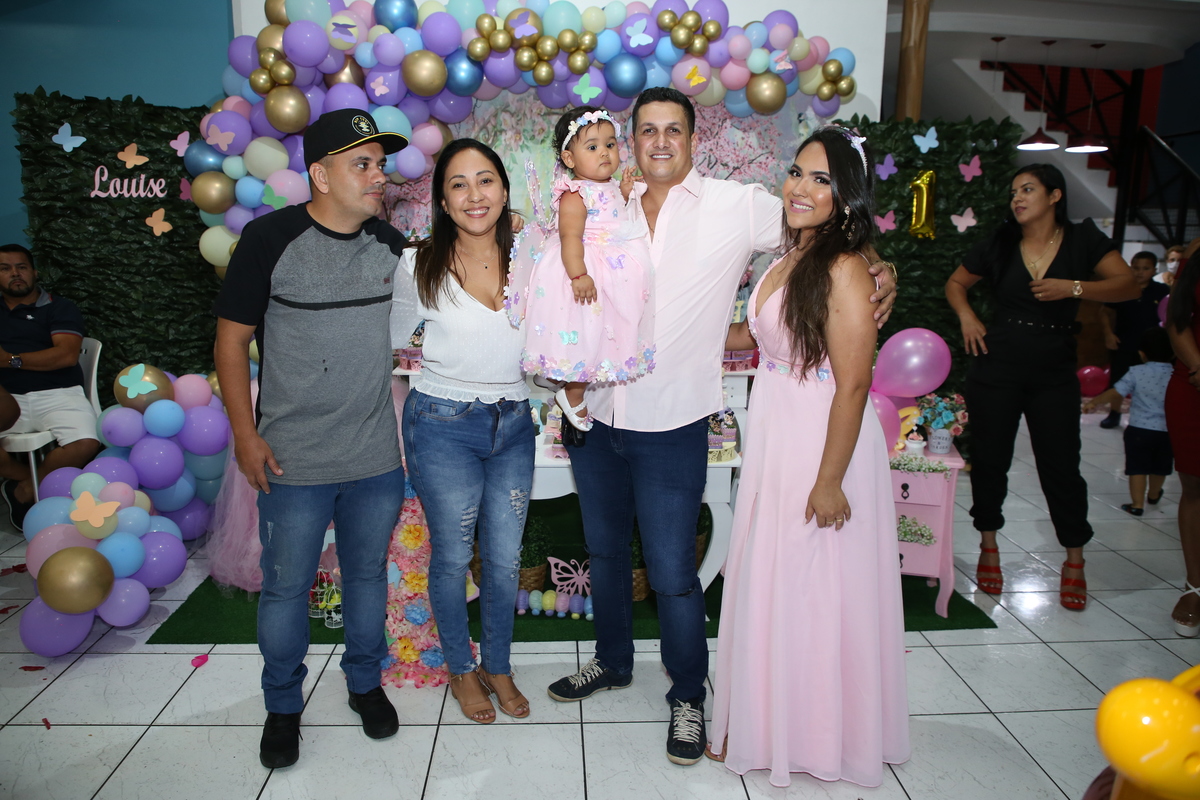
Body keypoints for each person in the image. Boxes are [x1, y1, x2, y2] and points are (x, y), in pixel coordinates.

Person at [544, 87, 897, 766]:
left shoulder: (740, 207)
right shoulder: (603, 202)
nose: (660, 142)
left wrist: (881, 269)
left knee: (674, 570)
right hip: (596, 411)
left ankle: (687, 696)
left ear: (692, 138)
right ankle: (612, 661)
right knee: (605, 553)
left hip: (674, 419)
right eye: (647, 130)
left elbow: (830, 231)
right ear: (631, 140)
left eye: (673, 130)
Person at [706, 127, 909, 787]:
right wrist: (678, 333)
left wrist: (829, 481)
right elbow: (757, 333)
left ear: (846, 195)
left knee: (814, 586)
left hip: (823, 442)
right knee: (777, 581)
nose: (800, 187)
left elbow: (853, 384)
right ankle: (766, 723)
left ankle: (816, 737)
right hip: (779, 433)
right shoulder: (791, 254)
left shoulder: (846, 268)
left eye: (822, 179)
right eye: (797, 172)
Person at [213, 109, 409, 768]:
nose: (379, 176)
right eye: (363, 164)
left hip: (374, 456)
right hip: (291, 458)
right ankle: (282, 705)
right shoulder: (269, 239)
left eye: (381, 164)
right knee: (286, 587)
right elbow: (231, 343)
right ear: (321, 175)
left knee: (366, 577)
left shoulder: (389, 244)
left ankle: (364, 684)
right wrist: (245, 434)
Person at [944, 163, 1137, 611]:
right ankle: (988, 546)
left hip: (1053, 368)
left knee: (1061, 465)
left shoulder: (1083, 239)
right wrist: (968, 316)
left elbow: (1127, 285)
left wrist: (1074, 288)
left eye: (1027, 189)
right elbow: (956, 283)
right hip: (997, 364)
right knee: (990, 460)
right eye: (1014, 191)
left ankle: (1075, 559)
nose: (1017, 198)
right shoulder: (1000, 241)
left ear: (1054, 196)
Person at [389, 138, 534, 724]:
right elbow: (395, 339)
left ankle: (497, 665)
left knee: (504, 559)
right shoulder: (417, 264)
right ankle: (460, 668)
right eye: (458, 184)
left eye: (486, 180)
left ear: (503, 190)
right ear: (443, 201)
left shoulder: (534, 255)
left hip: (515, 423)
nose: (475, 195)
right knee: (452, 557)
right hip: (442, 424)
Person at [509, 106, 653, 432]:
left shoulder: (609, 185)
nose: (605, 152)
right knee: (587, 335)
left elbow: (617, 212)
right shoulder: (575, 193)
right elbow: (570, 236)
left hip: (612, 269)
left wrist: (625, 190)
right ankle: (572, 392)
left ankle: (556, 375)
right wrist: (579, 274)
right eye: (592, 146)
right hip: (584, 268)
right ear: (569, 158)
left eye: (610, 144)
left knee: (603, 334)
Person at [0, 243, 100, 531]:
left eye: (21, 267)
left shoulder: (59, 307)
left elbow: (65, 356)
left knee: (87, 442)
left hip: (59, 393)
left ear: (34, 272)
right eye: (5, 269)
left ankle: (25, 489)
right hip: (7, 398)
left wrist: (10, 360)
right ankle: (25, 480)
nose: (15, 274)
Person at [1083, 327, 1175, 515]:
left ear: (1142, 354)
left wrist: (1094, 402)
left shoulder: (1136, 372)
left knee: (1137, 467)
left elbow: (1116, 392)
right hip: (1168, 431)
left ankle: (1137, 505)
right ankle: (1154, 494)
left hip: (1139, 430)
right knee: (1160, 467)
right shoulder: (1176, 374)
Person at [1165, 236, 1200, 637]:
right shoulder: (1195, 253)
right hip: (1193, 379)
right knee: (1195, 485)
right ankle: (1195, 587)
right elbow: (1178, 319)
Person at [1097, 250, 1169, 428]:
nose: (1140, 272)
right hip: (1124, 342)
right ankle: (1114, 414)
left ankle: (1150, 415)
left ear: (1154, 270)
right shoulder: (1122, 289)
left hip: (1153, 347)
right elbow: (1105, 312)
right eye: (1136, 268)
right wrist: (1108, 334)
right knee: (1118, 380)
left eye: (1145, 268)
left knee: (1152, 383)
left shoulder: (1162, 291)